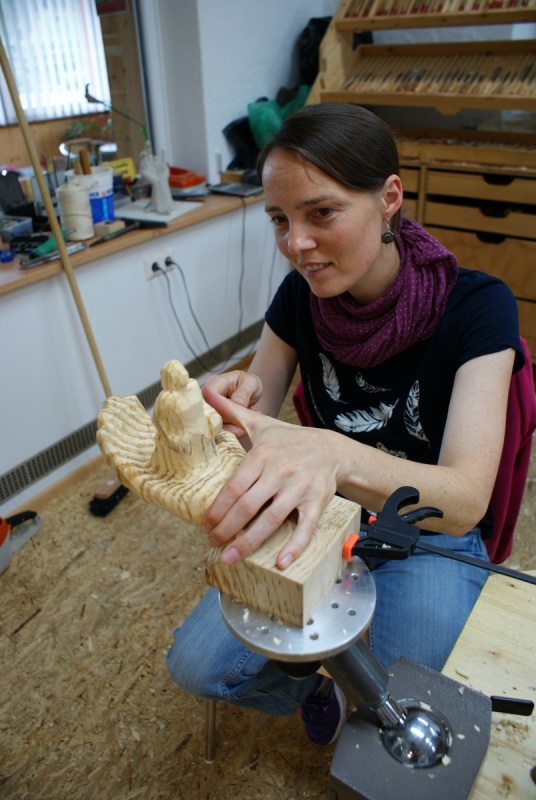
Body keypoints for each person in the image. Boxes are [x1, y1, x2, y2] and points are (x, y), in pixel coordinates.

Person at [166, 102, 524, 747]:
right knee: (197, 668)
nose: (295, 244)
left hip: (429, 532)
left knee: (407, 702)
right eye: (280, 219)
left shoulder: (477, 306)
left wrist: (334, 453)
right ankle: (320, 680)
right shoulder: (299, 297)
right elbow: (251, 421)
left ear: (389, 198)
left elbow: (466, 499)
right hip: (325, 515)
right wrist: (232, 404)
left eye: (322, 213)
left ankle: (338, 676)